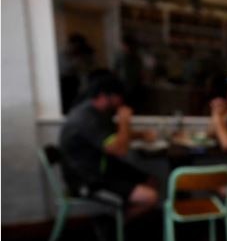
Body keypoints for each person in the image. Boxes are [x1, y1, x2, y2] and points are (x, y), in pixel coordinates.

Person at [59, 69, 158, 214]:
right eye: (119, 97)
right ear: (104, 96)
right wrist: (124, 121)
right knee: (150, 197)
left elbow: (115, 137)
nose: (122, 101)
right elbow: (120, 149)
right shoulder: (87, 118)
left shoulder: (99, 113)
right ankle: (114, 227)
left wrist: (141, 135)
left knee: (151, 180)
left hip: (102, 168)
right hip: (87, 179)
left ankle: (118, 222)